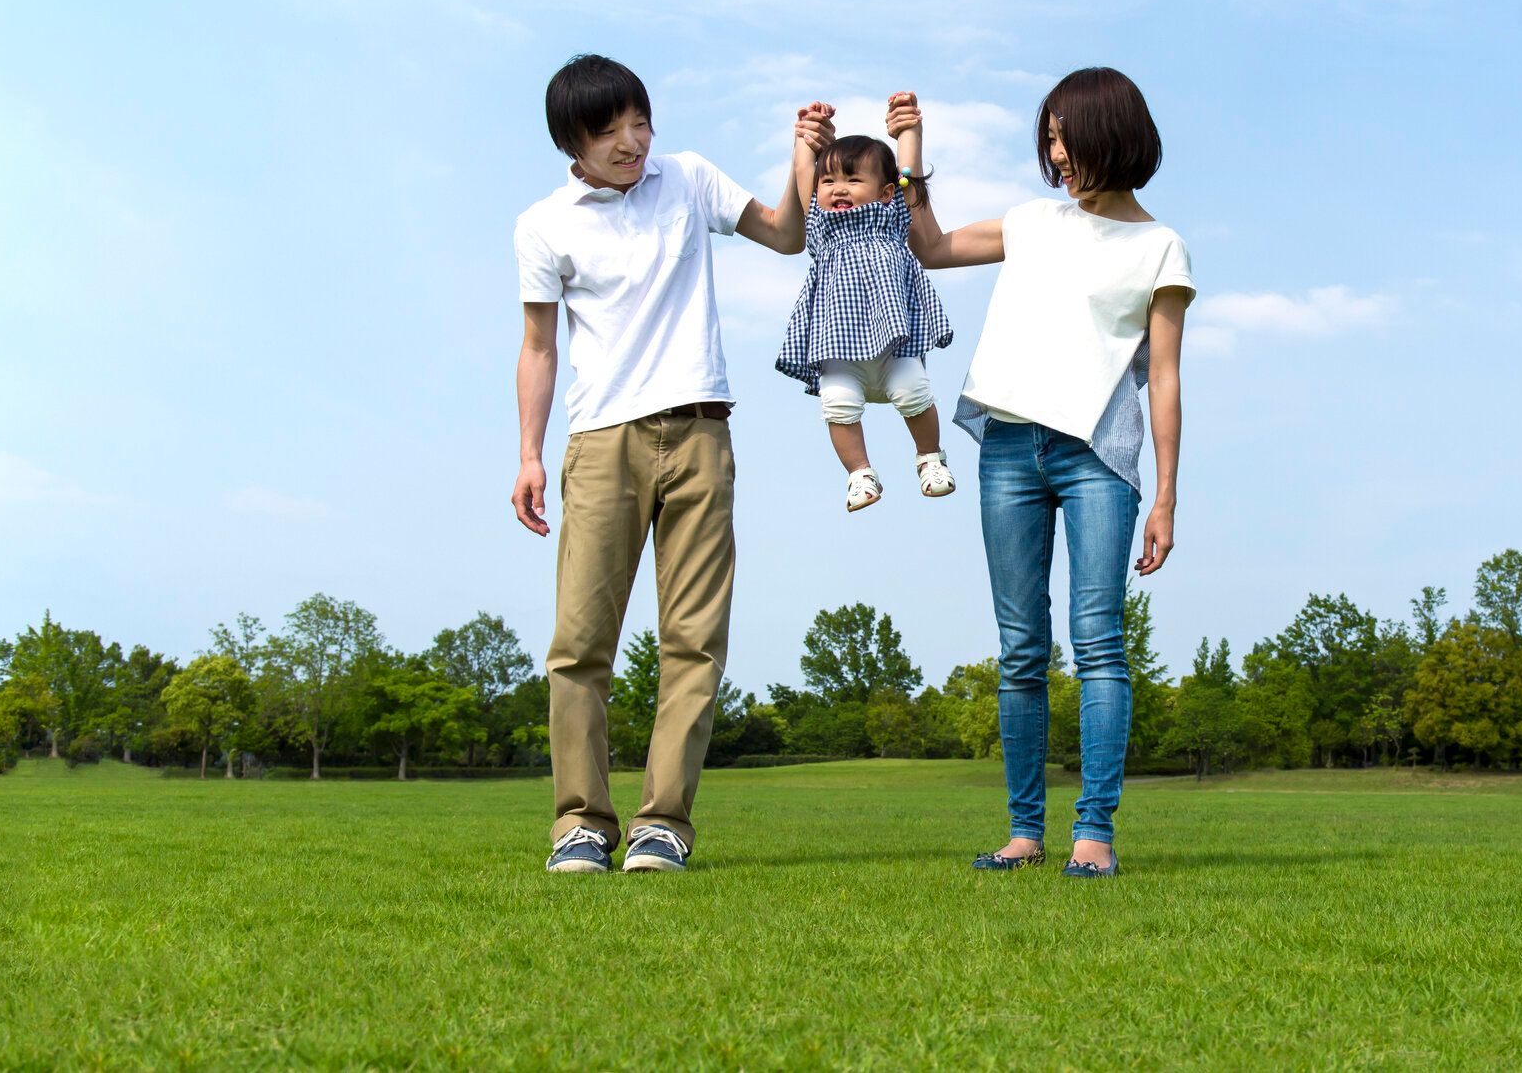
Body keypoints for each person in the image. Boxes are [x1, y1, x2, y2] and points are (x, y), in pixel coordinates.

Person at [511, 54, 825, 875]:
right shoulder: (544, 223)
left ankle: (662, 825)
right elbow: (539, 346)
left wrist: (800, 163)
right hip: (601, 442)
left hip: (699, 435)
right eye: (609, 130)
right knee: (579, 644)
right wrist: (528, 455)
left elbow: (787, 236)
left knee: (693, 640)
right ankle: (580, 822)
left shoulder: (688, 178)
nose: (631, 141)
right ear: (570, 143)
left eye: (639, 121)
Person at [896, 72, 1194, 878]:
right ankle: (1025, 831)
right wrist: (909, 155)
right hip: (1009, 451)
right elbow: (929, 246)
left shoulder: (1159, 246)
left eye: (1067, 136)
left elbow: (1162, 378)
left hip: (1099, 456)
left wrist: (1165, 494)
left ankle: (1092, 833)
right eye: (1049, 138)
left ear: (1113, 135)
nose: (1056, 153)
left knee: (1098, 645)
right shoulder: (1031, 222)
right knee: (1021, 647)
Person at [772, 125, 956, 511]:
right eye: (830, 180)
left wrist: (907, 130)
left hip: (894, 342)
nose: (838, 189)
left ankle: (930, 458)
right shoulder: (822, 228)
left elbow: (906, 172)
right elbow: (805, 172)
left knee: (914, 392)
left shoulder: (890, 218)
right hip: (838, 346)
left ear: (885, 192)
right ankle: (860, 473)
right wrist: (805, 140)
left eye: (853, 179)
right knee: (836, 404)